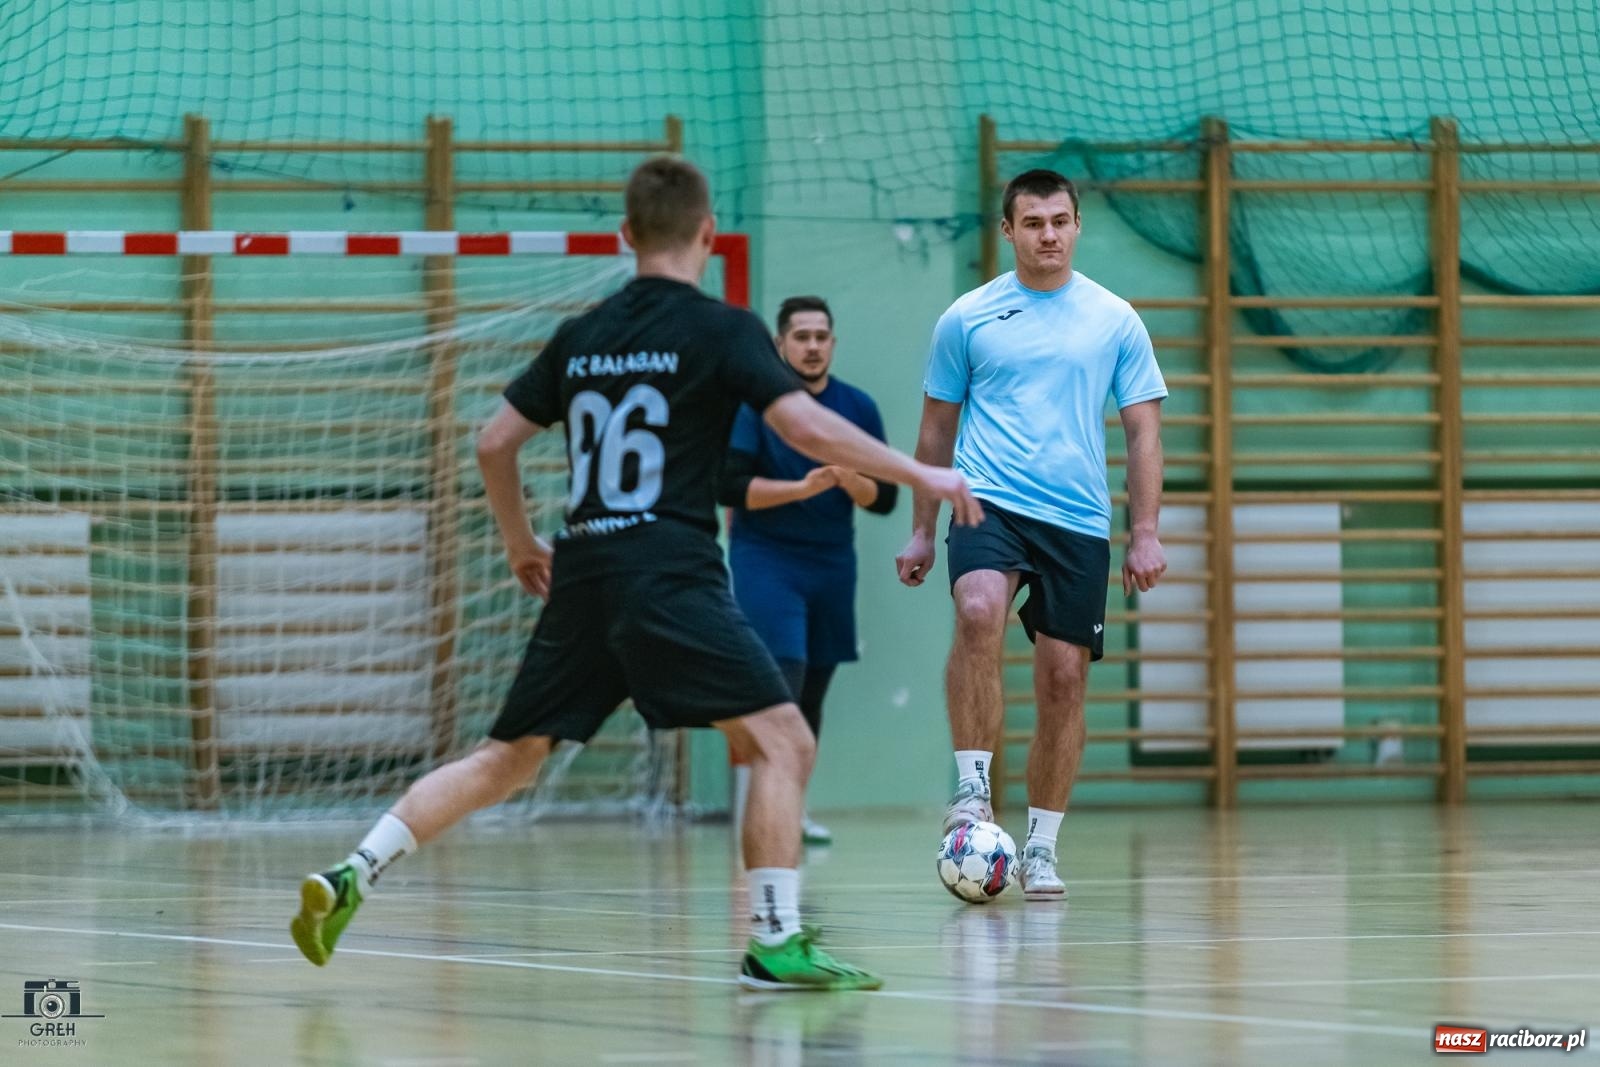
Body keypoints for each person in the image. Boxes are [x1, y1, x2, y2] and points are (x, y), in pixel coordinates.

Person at [289, 155, 981, 991]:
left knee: (505, 758)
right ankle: (774, 939)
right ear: (707, 233)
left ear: (625, 235)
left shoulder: (582, 335)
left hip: (583, 570)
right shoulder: (721, 328)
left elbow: (493, 440)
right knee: (784, 739)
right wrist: (925, 474)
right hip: (669, 570)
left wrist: (520, 543)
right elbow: (803, 426)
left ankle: (356, 869)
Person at [894, 168, 1168, 902]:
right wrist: (922, 531)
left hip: (1076, 518)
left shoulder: (1115, 319)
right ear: (1008, 232)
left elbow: (1143, 430)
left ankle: (1041, 846)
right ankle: (974, 790)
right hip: (989, 500)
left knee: (1063, 679)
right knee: (978, 608)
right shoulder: (967, 317)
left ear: (1077, 226)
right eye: (1033, 222)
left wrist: (1145, 531)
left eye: (1060, 220)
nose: (1048, 233)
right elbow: (935, 429)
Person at [717, 296, 897, 847]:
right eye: (802, 336)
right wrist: (801, 487)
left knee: (813, 691)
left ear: (833, 344)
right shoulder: (756, 407)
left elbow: (884, 498)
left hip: (832, 563)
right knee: (783, 680)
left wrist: (848, 479)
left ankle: (790, 806)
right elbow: (730, 488)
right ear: (781, 344)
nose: (813, 346)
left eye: (822, 336)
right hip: (766, 559)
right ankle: (762, 807)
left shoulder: (857, 408)